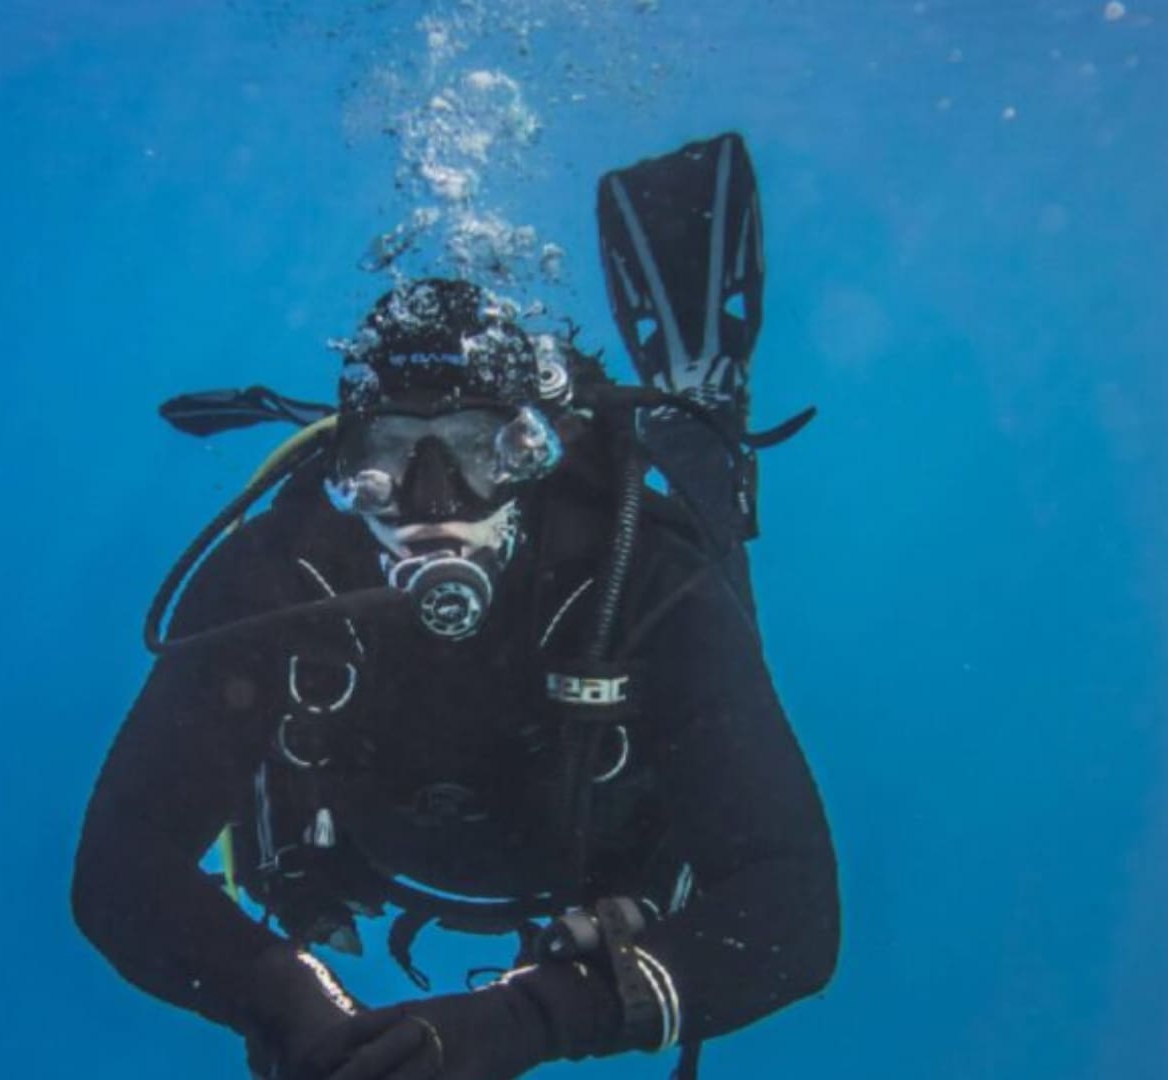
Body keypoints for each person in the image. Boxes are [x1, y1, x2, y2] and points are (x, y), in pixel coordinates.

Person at [72, 133, 838, 1080]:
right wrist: (284, 999)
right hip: (366, 852)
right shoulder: (279, 579)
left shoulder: (641, 576)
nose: (434, 498)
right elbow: (118, 867)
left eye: (480, 451)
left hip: (609, 867)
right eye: (389, 458)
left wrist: (532, 1022)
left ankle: (692, 420)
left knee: (699, 536)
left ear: (534, 453)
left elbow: (794, 911)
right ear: (343, 468)